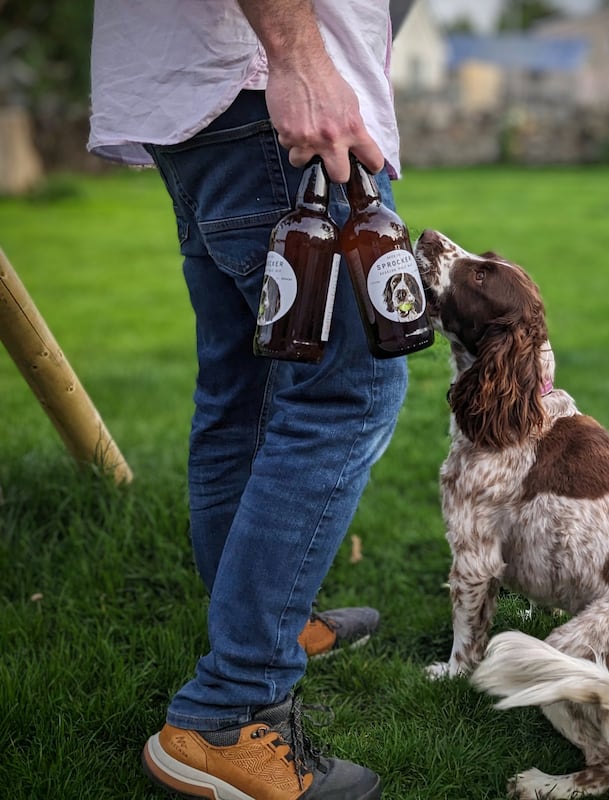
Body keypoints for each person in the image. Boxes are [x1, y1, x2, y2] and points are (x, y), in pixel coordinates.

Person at [89, 2, 410, 798]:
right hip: (263, 89)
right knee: (349, 388)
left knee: (244, 389)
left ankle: (263, 617)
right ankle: (229, 708)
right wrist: (300, 58)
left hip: (205, 100)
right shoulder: (283, 69)